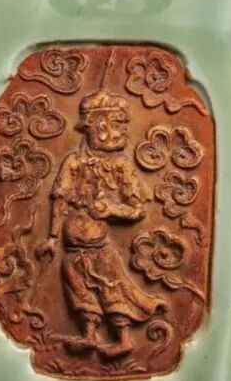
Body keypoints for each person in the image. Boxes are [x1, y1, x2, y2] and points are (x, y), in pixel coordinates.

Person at [36, 90, 164, 359]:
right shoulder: (73, 162)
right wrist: (52, 237)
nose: (122, 132)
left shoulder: (121, 166)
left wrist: (112, 208)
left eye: (123, 125)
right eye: (116, 124)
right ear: (95, 126)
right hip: (72, 248)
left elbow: (137, 209)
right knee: (79, 290)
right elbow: (59, 199)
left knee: (112, 290)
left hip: (100, 248)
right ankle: (90, 334)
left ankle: (124, 339)